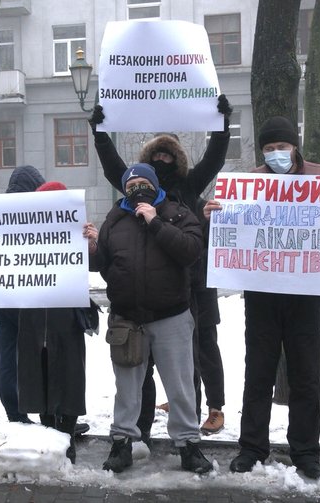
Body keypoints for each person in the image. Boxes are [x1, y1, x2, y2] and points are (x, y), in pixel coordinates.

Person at [205, 117, 320, 479]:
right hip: (261, 293)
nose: (276, 154)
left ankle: (306, 451)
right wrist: (213, 215)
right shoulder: (249, 182)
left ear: (295, 146)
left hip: (306, 294)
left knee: (306, 375)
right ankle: (252, 448)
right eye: (269, 148)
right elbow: (232, 228)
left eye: (282, 147)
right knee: (258, 373)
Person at [90, 98, 231, 438]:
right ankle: (140, 428)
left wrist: (222, 125)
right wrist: (99, 132)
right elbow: (112, 166)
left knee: (197, 351)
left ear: (177, 160)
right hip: (149, 294)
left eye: (168, 155)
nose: (162, 159)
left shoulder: (189, 185)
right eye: (156, 155)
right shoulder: (133, 193)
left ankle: (205, 413)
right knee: (145, 361)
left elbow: (213, 159)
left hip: (193, 281)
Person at [0, 180, 93, 464]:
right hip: (32, 319)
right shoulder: (22, 234)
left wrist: (92, 243)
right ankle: (47, 435)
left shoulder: (77, 233)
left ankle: (66, 437)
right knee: (39, 377)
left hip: (64, 318)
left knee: (69, 377)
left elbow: (98, 262)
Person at [90, 163, 212, 474]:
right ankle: (122, 444)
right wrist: (91, 247)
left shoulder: (179, 213)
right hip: (127, 320)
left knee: (181, 385)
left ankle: (188, 445)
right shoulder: (115, 220)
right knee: (128, 387)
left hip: (171, 316)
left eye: (143, 183)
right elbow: (104, 264)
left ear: (155, 184)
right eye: (131, 186)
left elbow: (190, 251)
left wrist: (156, 222)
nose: (136, 189)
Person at [0, 165, 44, 424]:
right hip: (35, 296)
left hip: (2, 297)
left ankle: (16, 414)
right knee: (43, 354)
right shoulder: (39, 213)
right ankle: (52, 414)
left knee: (8, 356)